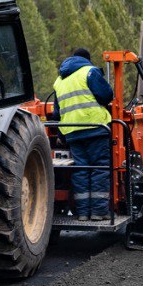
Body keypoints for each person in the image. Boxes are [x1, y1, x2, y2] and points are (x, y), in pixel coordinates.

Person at [52, 48, 114, 221]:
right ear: (87, 59)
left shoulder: (59, 81)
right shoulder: (89, 71)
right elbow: (106, 95)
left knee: (80, 171)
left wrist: (61, 134)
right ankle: (99, 212)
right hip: (94, 128)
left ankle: (82, 213)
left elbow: (57, 113)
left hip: (72, 132)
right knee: (99, 169)